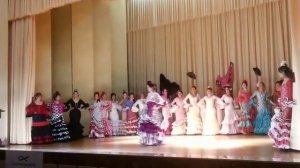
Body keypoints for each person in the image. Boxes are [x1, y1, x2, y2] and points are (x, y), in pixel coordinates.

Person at [269, 62, 295, 149]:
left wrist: (288, 103)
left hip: (287, 105)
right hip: (283, 105)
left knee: (285, 123)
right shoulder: (284, 81)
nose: (279, 74)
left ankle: (286, 144)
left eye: (280, 72)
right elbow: (282, 94)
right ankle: (282, 144)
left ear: (283, 72)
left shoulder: (289, 81)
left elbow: (290, 94)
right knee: (280, 122)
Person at [138, 81, 165, 146]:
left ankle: (154, 140)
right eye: (147, 87)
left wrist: (156, 106)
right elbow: (147, 104)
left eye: (148, 87)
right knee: (147, 125)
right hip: (148, 111)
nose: (147, 88)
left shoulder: (156, 94)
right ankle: (148, 141)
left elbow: (162, 102)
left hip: (154, 113)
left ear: (151, 87)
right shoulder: (148, 94)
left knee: (153, 126)